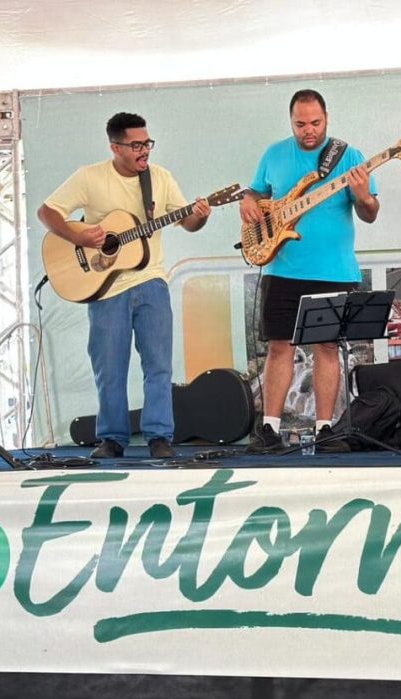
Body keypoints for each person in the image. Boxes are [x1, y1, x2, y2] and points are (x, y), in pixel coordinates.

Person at [38, 112, 211, 459]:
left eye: (147, 143)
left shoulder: (160, 178)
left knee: (159, 365)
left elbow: (187, 222)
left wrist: (200, 216)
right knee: (110, 369)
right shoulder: (90, 177)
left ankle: (159, 437)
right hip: (107, 289)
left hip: (151, 282)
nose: (144, 150)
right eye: (136, 145)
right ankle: (112, 438)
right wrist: (79, 236)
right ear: (115, 148)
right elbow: (48, 212)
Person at [240, 89, 380, 454]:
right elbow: (255, 193)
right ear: (291, 121)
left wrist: (364, 196)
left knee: (326, 347)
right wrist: (247, 202)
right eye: (300, 124)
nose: (308, 130)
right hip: (282, 268)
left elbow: (370, 213)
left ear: (326, 118)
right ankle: (269, 429)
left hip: (333, 271)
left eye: (315, 123)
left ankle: (324, 429)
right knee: (278, 346)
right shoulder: (273, 154)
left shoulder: (349, 156)